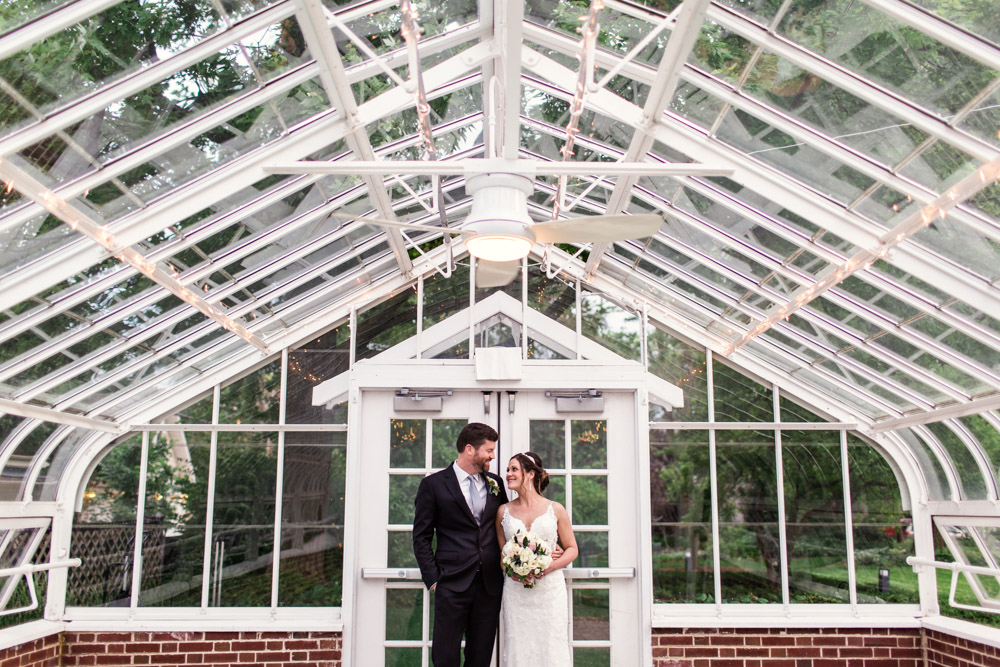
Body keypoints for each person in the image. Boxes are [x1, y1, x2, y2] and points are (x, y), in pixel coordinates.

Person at [412, 422, 509, 667]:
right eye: (488, 450)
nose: (493, 456)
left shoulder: (495, 483)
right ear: (469, 449)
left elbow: (508, 524)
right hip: (451, 583)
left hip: (489, 585)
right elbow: (421, 536)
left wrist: (537, 545)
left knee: (480, 656)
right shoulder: (433, 485)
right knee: (445, 656)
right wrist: (434, 579)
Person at [495, 452, 578, 666]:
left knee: (551, 646)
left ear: (530, 474)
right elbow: (502, 556)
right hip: (516, 593)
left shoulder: (555, 509)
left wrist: (550, 566)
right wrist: (514, 571)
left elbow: (571, 549)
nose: (508, 474)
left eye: (514, 469)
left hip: (550, 592)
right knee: (519, 647)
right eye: (508, 470)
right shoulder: (503, 512)